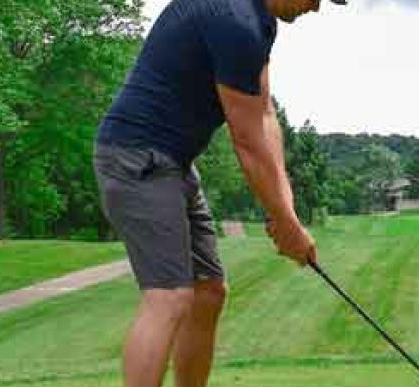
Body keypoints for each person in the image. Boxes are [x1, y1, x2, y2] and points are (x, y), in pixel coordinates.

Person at [91, 0, 344, 385]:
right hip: (137, 158)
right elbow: (246, 141)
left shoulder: (260, 23)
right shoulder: (236, 22)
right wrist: (286, 223)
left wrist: (286, 215)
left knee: (208, 291)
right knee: (169, 296)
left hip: (173, 162)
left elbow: (264, 115)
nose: (316, 7)